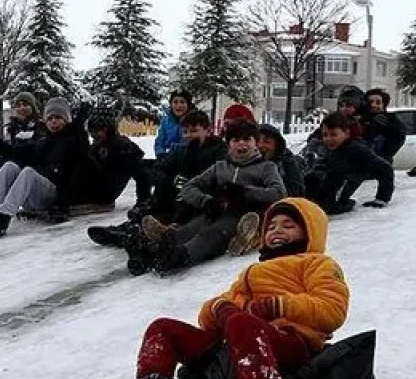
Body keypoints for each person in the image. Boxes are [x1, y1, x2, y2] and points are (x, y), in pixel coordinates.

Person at [101, 198, 349, 379]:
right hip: (240, 342)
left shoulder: (318, 264)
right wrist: (219, 309)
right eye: (272, 226)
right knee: (163, 327)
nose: (277, 230)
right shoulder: (252, 272)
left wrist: (278, 306)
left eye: (288, 225)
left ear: (311, 232)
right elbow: (214, 313)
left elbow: (332, 309)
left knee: (242, 322)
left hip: (290, 343)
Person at [131, 120, 285, 275]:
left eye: (247, 140)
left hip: (242, 215)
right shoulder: (220, 167)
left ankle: (181, 255)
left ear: (255, 143)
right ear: (229, 144)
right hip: (217, 210)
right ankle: (153, 250)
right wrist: (206, 201)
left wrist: (246, 192)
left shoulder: (266, 167)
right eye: (236, 140)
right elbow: (188, 187)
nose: (241, 145)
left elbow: (279, 193)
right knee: (192, 228)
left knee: (212, 234)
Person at [87, 110, 223, 249]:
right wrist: (167, 179)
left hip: (199, 201)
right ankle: (130, 227)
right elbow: (159, 168)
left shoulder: (217, 151)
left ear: (208, 130)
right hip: (175, 197)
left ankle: (144, 234)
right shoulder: (181, 151)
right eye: (185, 132)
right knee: (164, 190)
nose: (188, 136)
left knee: (180, 206)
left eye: (193, 131)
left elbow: (214, 177)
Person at [0, 97, 87, 235]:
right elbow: (18, 153)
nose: (54, 122)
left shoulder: (74, 141)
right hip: (35, 196)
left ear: (67, 120)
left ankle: (2, 217)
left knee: (29, 172)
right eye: (50, 118)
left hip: (55, 196)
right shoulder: (45, 141)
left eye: (58, 117)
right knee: (10, 166)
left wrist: (62, 205)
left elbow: (76, 169)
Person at [305, 112, 394, 215]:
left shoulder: (357, 149)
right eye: (325, 135)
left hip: (338, 193)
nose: (328, 139)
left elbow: (385, 168)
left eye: (333, 134)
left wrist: (382, 198)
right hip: (327, 188)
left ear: (347, 133)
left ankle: (334, 203)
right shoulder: (329, 147)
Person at [69, 110, 151, 210]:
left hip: (106, 191)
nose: (93, 135)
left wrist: (143, 200)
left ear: (106, 129)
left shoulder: (122, 147)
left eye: (95, 131)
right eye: (91, 132)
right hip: (95, 186)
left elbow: (141, 175)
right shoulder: (98, 146)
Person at [259, 124, 306, 198]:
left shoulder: (286, 163)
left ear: (276, 145)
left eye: (267, 142)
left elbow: (297, 191)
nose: (260, 145)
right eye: (257, 141)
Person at [362, 88, 406, 162]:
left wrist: (386, 153)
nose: (373, 105)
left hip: (382, 162)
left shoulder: (391, 120)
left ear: (384, 105)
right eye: (370, 102)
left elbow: (399, 137)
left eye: (378, 102)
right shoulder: (362, 119)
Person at [154, 90, 193, 158]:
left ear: (188, 104)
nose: (179, 105)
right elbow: (160, 141)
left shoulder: (194, 120)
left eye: (182, 102)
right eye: (175, 102)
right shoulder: (165, 121)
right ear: (171, 104)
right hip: (168, 157)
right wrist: (160, 153)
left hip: (187, 157)